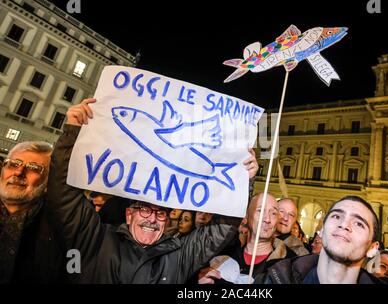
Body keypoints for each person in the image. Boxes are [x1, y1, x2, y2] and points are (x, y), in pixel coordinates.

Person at [46, 98, 259, 283]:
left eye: (159, 213)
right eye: (144, 210)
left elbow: (218, 231)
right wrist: (73, 130)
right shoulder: (96, 239)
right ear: (129, 215)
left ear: (166, 220)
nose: (152, 219)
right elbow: (63, 194)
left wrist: (240, 181)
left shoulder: (179, 255)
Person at [266, 195, 382, 284]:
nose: (344, 224)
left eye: (359, 223)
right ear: (321, 231)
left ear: (373, 248)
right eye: (336, 216)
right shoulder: (272, 277)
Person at [0, 141, 66, 283]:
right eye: (13, 164)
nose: (18, 172)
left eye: (34, 168)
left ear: (48, 184)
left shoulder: (64, 232)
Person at [199, 193, 296, 284]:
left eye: (274, 213)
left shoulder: (289, 265)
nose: (267, 219)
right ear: (246, 217)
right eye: (260, 211)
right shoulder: (222, 256)